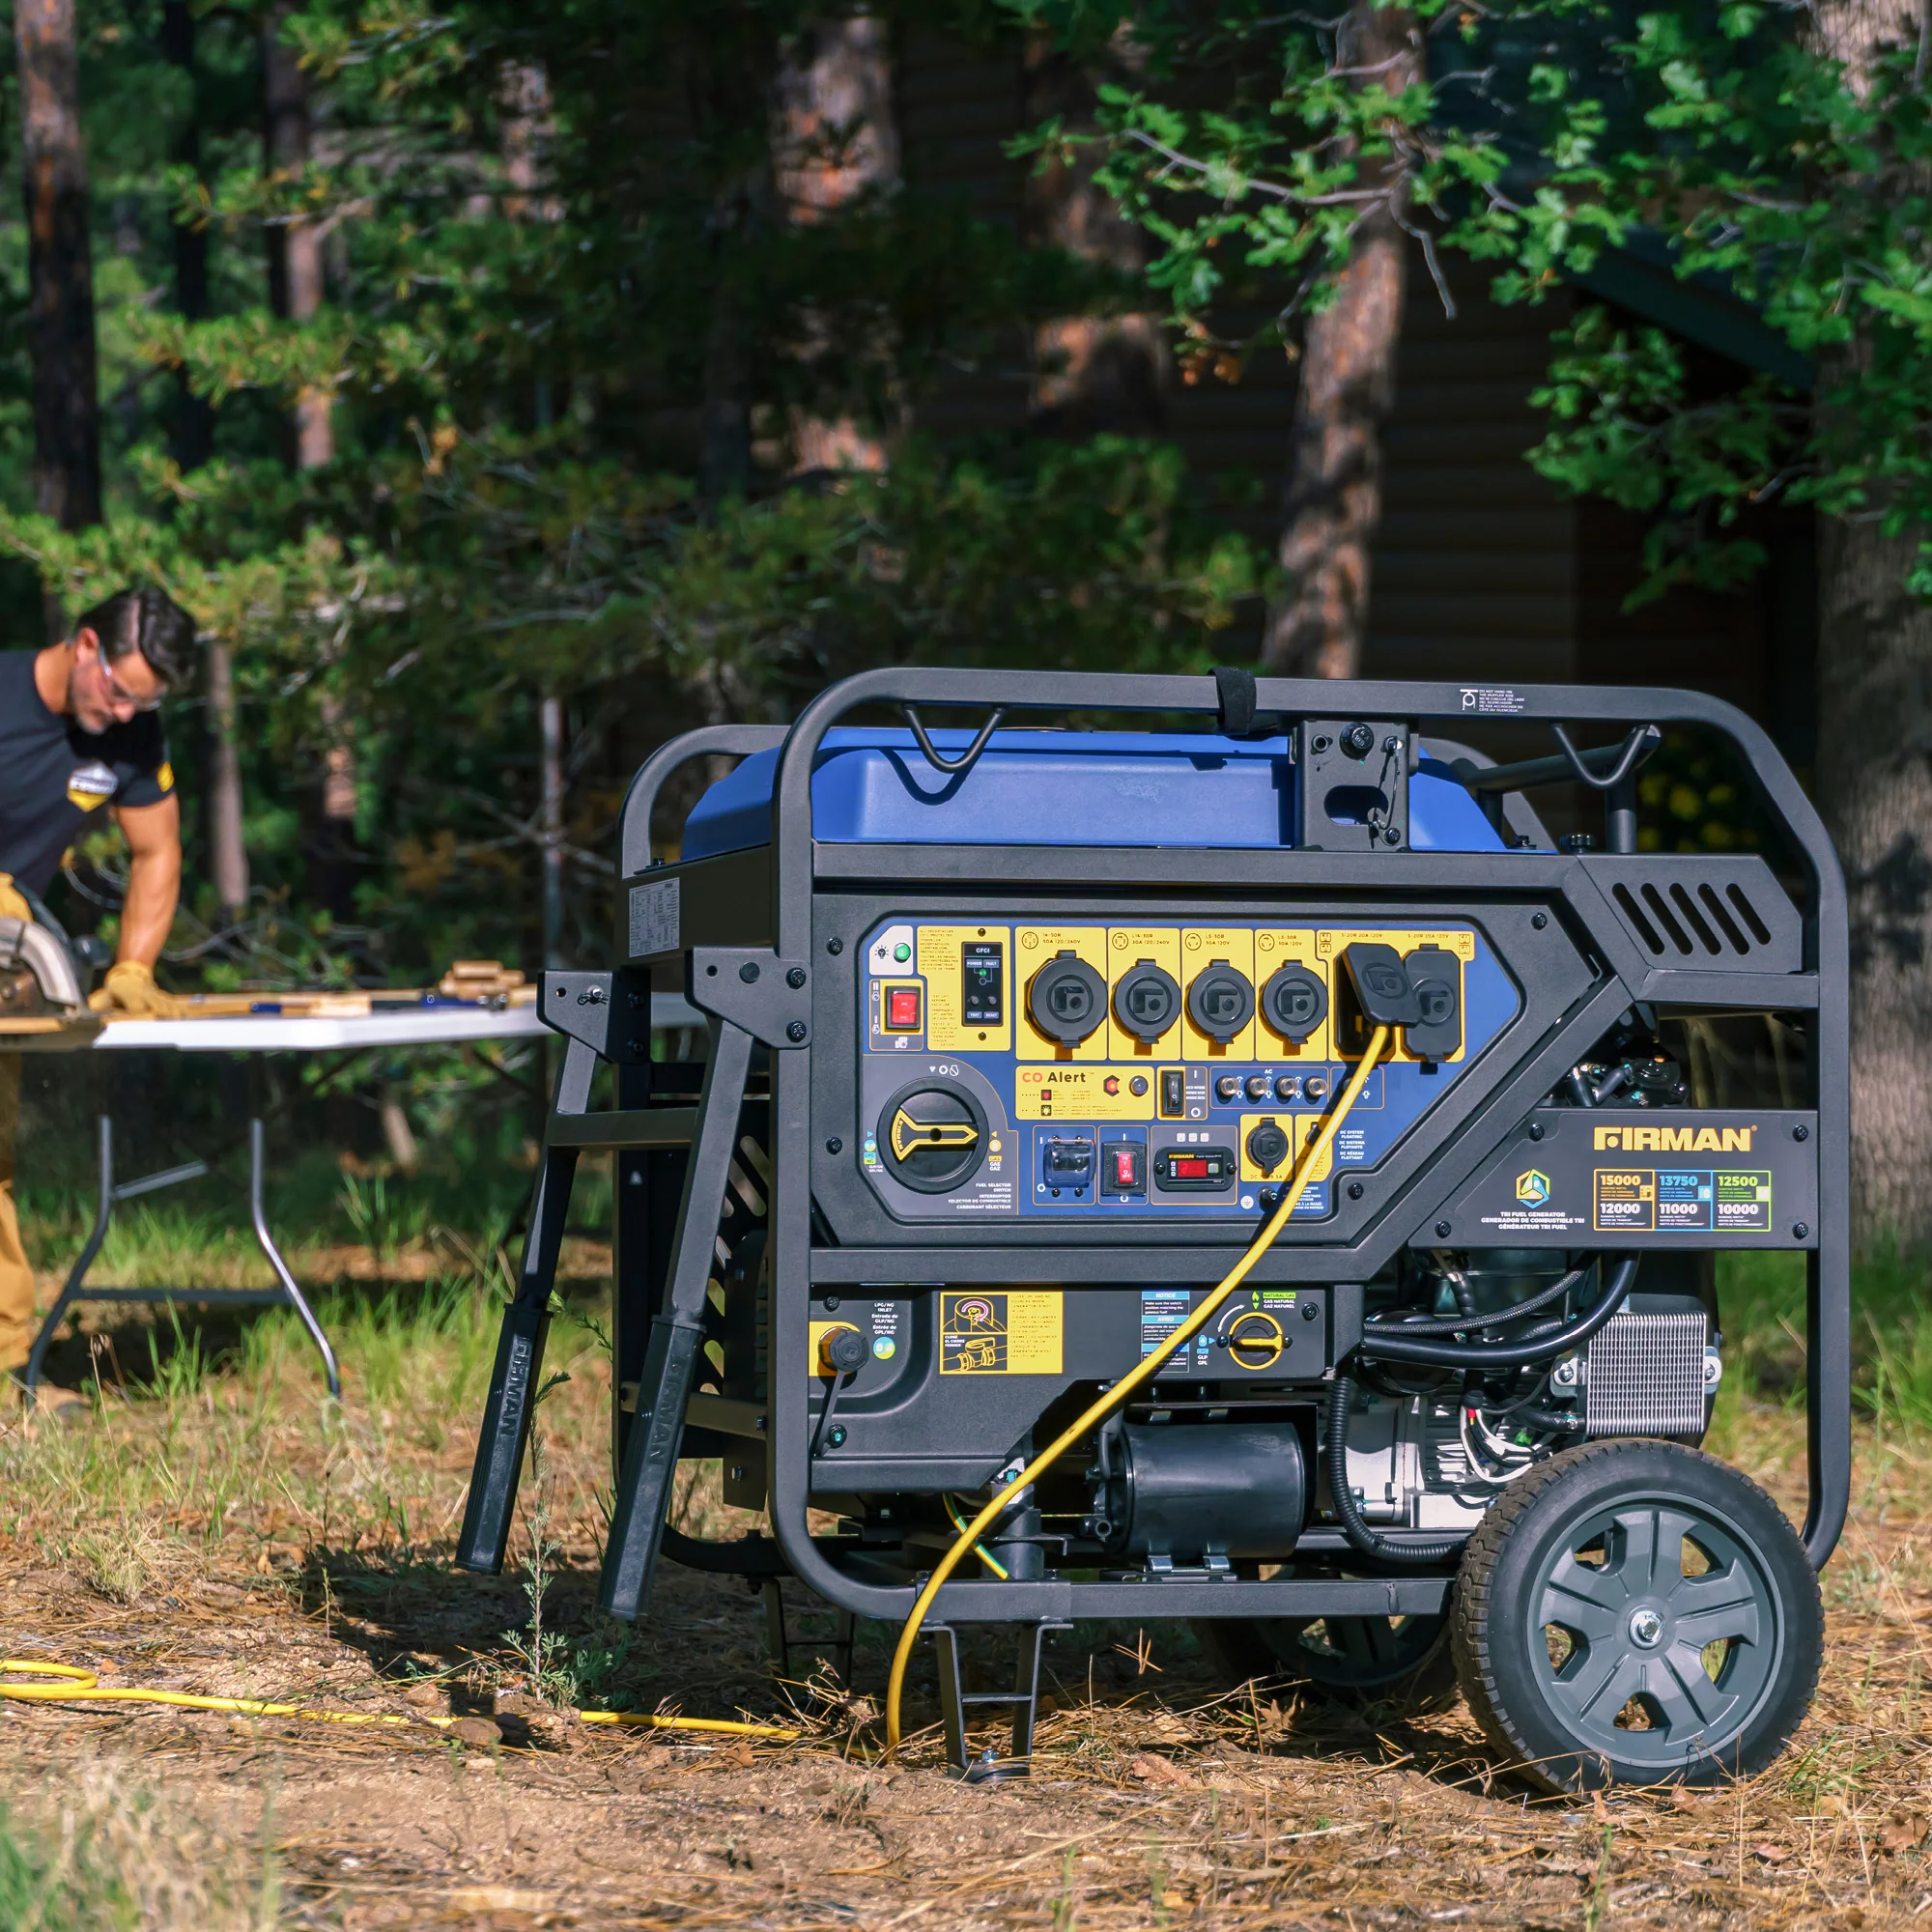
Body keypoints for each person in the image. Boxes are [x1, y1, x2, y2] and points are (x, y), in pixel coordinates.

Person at [0, 586, 198, 1403]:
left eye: (141, 701)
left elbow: (156, 851)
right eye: (118, 690)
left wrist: (132, 968)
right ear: (85, 646)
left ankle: (7, 1371)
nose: (123, 715)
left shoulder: (132, 733)